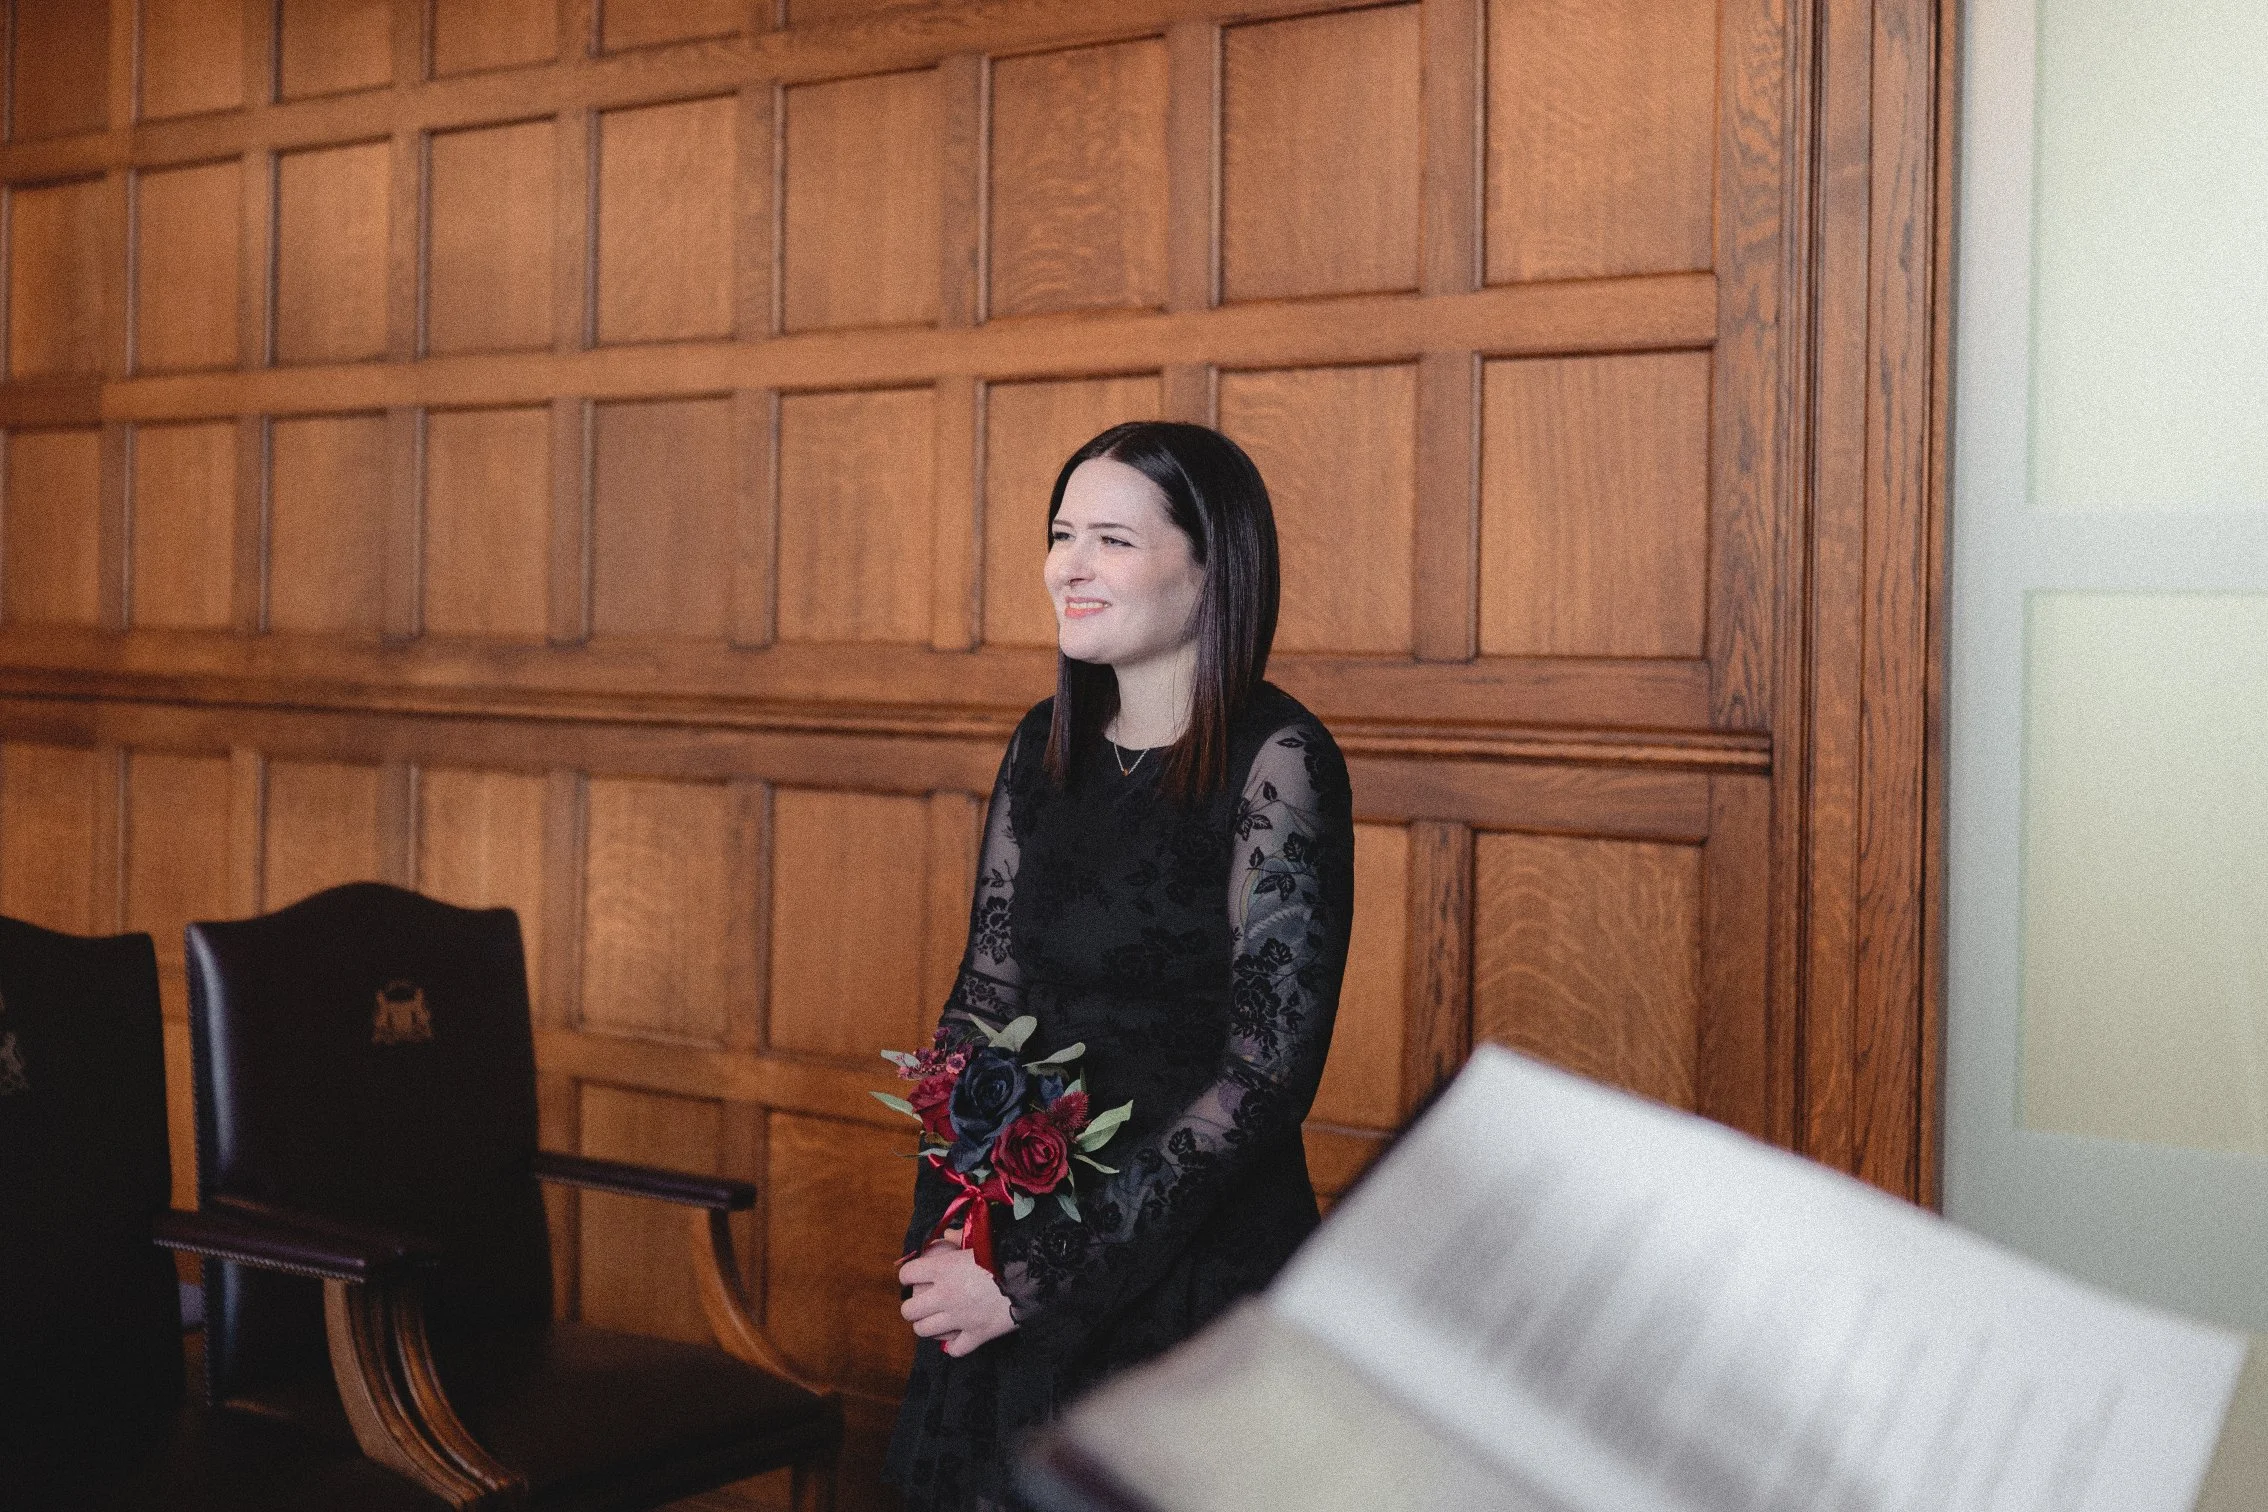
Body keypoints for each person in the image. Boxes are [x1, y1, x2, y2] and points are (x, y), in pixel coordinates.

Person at [883, 421, 1357, 1511]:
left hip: (1185, 1262)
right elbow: (982, 1001)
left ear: (1210, 569)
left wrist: (1035, 1282)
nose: (1070, 567)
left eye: (1113, 540)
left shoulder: (1278, 758)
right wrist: (956, 1232)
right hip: (1012, 1233)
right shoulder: (1040, 742)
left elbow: (1264, 1076)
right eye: (1061, 534)